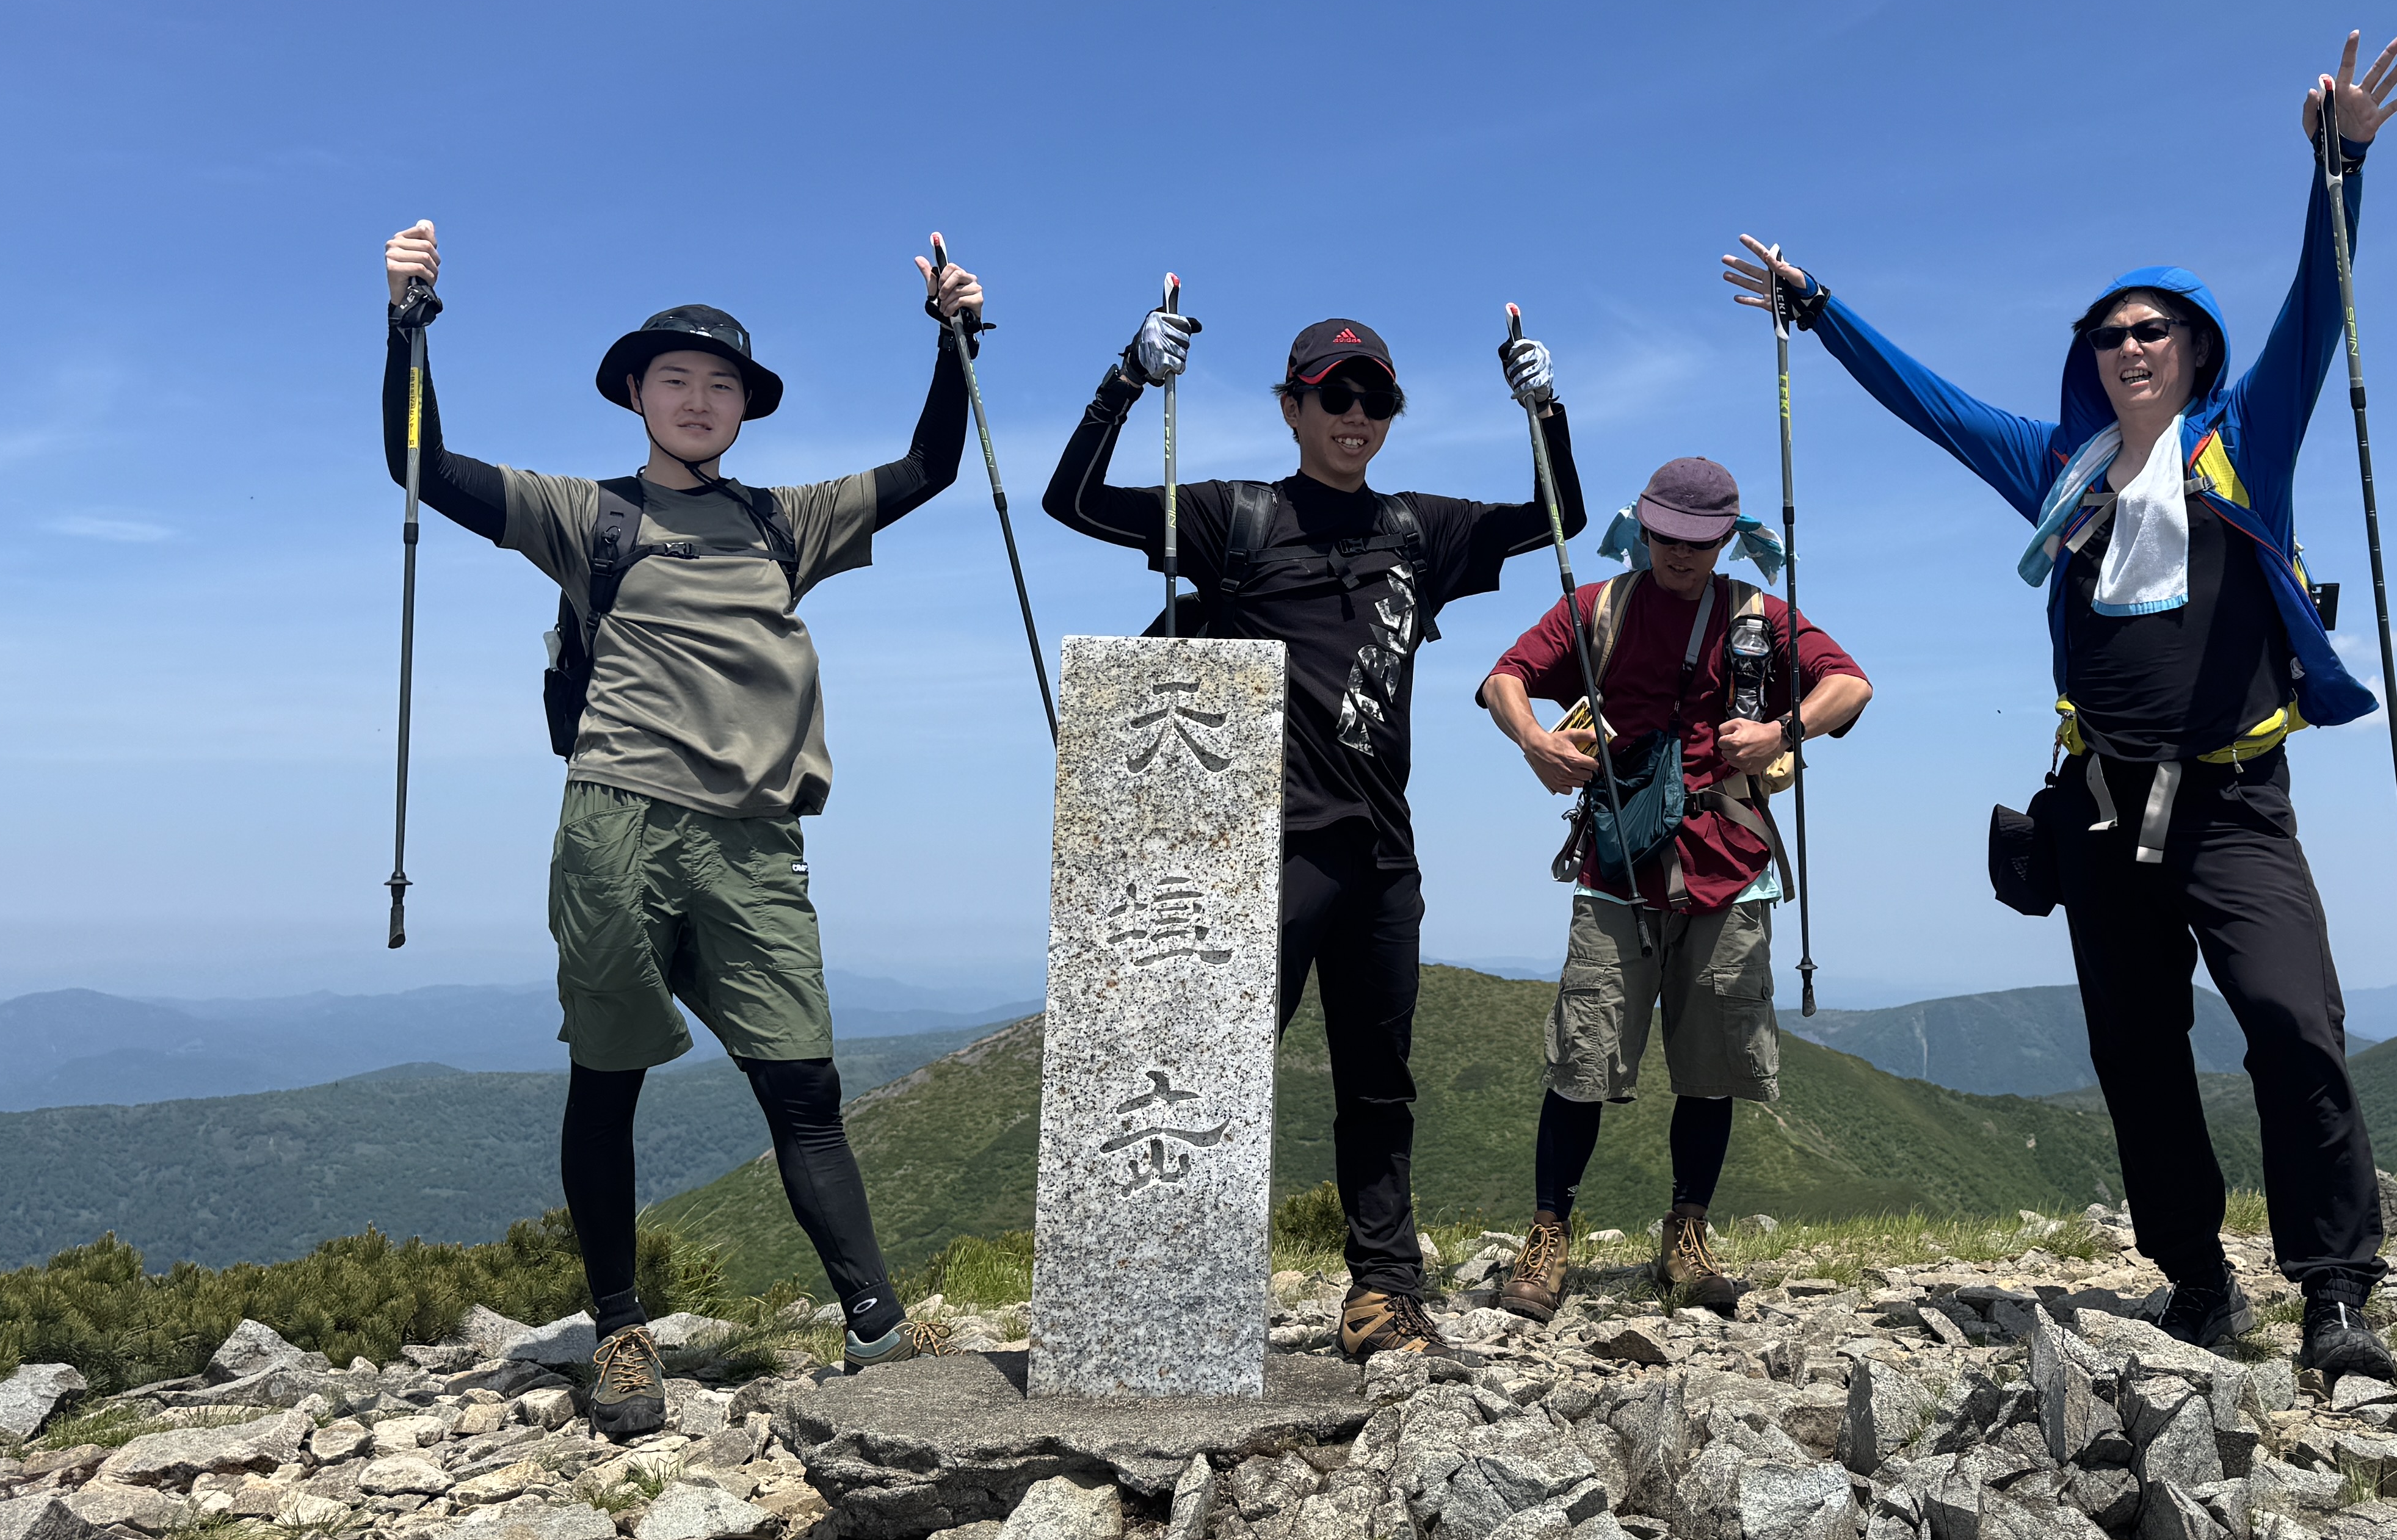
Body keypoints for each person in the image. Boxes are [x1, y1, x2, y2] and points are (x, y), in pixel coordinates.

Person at [1720, 34, 2397, 1384]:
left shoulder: (2246, 440)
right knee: (2138, 1058)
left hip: (2235, 804)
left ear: (2195, 348)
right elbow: (1928, 404)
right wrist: (1818, 311)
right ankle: (2197, 1280)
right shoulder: (2057, 469)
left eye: (2153, 329)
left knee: (2295, 1027)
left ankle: (2335, 1291)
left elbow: (2315, 315)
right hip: (2098, 810)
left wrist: (2340, 166)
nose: (2129, 347)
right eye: (2108, 335)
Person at [379, 220, 986, 1436]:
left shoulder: (788, 521)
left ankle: (874, 1327)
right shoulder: (583, 514)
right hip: (619, 824)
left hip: (757, 837)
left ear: (746, 407)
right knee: (607, 1077)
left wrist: (957, 339)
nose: (699, 399)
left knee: (802, 1081)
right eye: (676, 380)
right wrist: (408, 325)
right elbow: (421, 465)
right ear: (636, 395)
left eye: (721, 384)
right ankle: (619, 1332)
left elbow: (931, 467)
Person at [1043, 302, 1581, 1362]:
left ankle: (1384, 1291)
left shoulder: (1420, 530)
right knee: (1212, 1071)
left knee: (1379, 1083)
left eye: (1375, 397)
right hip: (1263, 854)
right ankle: (1161, 1301)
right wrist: (1126, 380)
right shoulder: (1234, 516)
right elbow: (1073, 501)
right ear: (1291, 407)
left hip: (1382, 853)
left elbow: (1557, 513)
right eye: (1334, 395)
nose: (1355, 413)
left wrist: (1545, 410)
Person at [1476, 457, 1870, 1322]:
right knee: (1582, 1060)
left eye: (1698, 541)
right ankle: (1549, 1233)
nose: (1680, 554)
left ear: (1727, 539)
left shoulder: (1759, 618)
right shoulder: (1600, 609)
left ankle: (1686, 1232)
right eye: (1664, 537)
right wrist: (1536, 742)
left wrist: (1780, 731)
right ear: (1643, 527)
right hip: (1620, 866)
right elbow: (1505, 677)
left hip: (1729, 864)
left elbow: (1850, 685)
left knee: (1711, 1068)